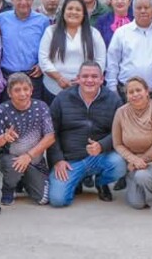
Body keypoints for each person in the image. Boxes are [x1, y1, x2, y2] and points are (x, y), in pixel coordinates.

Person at [47, 61, 125, 207]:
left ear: (102, 79)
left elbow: (120, 131)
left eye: (95, 76)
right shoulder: (62, 99)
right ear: (78, 78)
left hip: (100, 157)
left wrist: (102, 146)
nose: (90, 80)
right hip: (70, 161)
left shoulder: (113, 100)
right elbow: (51, 132)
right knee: (58, 200)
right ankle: (76, 181)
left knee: (120, 163)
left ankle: (101, 182)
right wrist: (58, 159)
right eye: (85, 76)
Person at [0, 73, 55, 206]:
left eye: (26, 89)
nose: (22, 94)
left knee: (44, 199)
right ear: (9, 93)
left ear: (31, 90)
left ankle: (21, 180)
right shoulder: (1, 110)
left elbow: (50, 136)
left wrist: (28, 156)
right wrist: (4, 138)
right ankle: (8, 187)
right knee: (14, 168)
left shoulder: (41, 107)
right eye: (17, 90)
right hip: (9, 158)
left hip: (35, 161)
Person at [105, 0, 152, 105]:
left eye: (147, 7)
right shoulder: (121, 32)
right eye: (139, 8)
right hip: (127, 94)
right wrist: (112, 88)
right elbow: (112, 62)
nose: (143, 11)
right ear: (133, 10)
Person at [112, 77, 152, 210]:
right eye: (131, 92)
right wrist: (133, 160)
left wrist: (140, 160)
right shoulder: (120, 112)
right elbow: (117, 143)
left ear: (147, 91)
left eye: (138, 90)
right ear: (126, 95)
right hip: (130, 161)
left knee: (142, 175)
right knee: (137, 204)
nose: (135, 94)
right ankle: (136, 182)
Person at [38, 0, 106, 104]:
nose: (73, 12)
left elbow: (101, 60)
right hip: (54, 88)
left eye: (78, 10)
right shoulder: (51, 31)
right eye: (70, 9)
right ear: (63, 11)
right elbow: (43, 59)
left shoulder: (94, 33)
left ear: (83, 14)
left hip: (85, 89)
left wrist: (85, 80)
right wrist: (59, 78)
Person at [0, 0, 49, 101]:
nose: (23, 2)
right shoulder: (1, 19)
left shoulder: (43, 21)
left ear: (33, 0)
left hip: (33, 77)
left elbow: (49, 47)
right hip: (7, 76)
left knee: (33, 114)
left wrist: (41, 65)